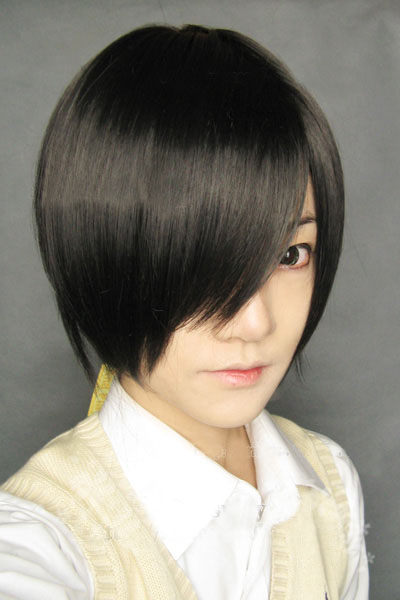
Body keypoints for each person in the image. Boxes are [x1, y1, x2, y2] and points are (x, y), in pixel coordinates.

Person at [0, 23, 368, 599]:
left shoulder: (330, 484)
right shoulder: (39, 541)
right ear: (104, 254)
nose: (255, 323)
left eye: (289, 255)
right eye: (204, 259)